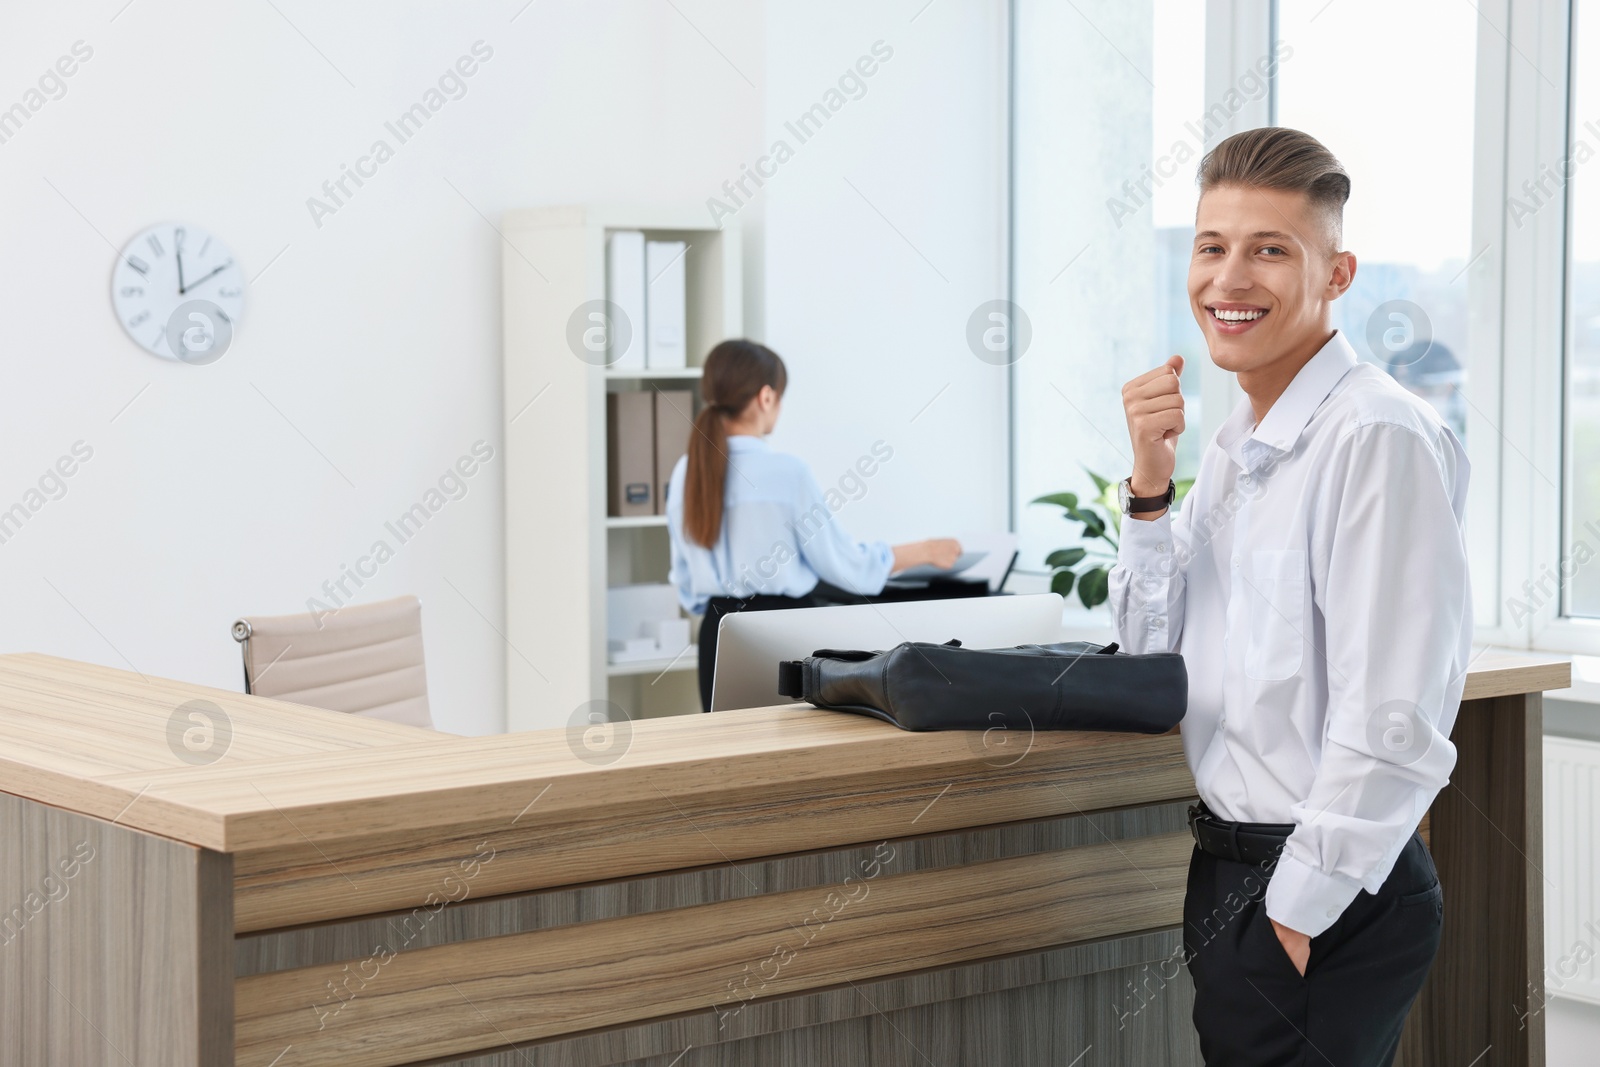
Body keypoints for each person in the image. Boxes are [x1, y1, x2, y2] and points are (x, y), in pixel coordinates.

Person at [1108, 127, 1471, 1066]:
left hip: (1316, 887)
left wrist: (1297, 912)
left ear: (1337, 273)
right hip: (1233, 872)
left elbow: (1394, 714)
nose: (1230, 278)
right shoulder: (1237, 444)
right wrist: (1151, 486)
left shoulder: (1374, 436)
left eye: (1270, 249)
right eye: (1211, 246)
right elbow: (1153, 650)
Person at [666, 339, 962, 712]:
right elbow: (845, 566)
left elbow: (688, 588)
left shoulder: (684, 473)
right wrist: (925, 551)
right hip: (781, 633)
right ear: (766, 397)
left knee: (728, 756)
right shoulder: (787, 473)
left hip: (716, 633)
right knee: (791, 757)